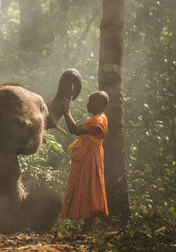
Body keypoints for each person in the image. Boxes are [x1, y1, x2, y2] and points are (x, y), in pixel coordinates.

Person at [59, 90, 109, 232]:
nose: (88, 104)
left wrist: (66, 111)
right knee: (86, 186)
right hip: (88, 156)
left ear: (99, 105)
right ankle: (88, 225)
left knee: (90, 186)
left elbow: (74, 129)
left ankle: (90, 225)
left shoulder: (99, 120)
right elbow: (75, 129)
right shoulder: (97, 118)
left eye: (90, 101)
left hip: (91, 157)